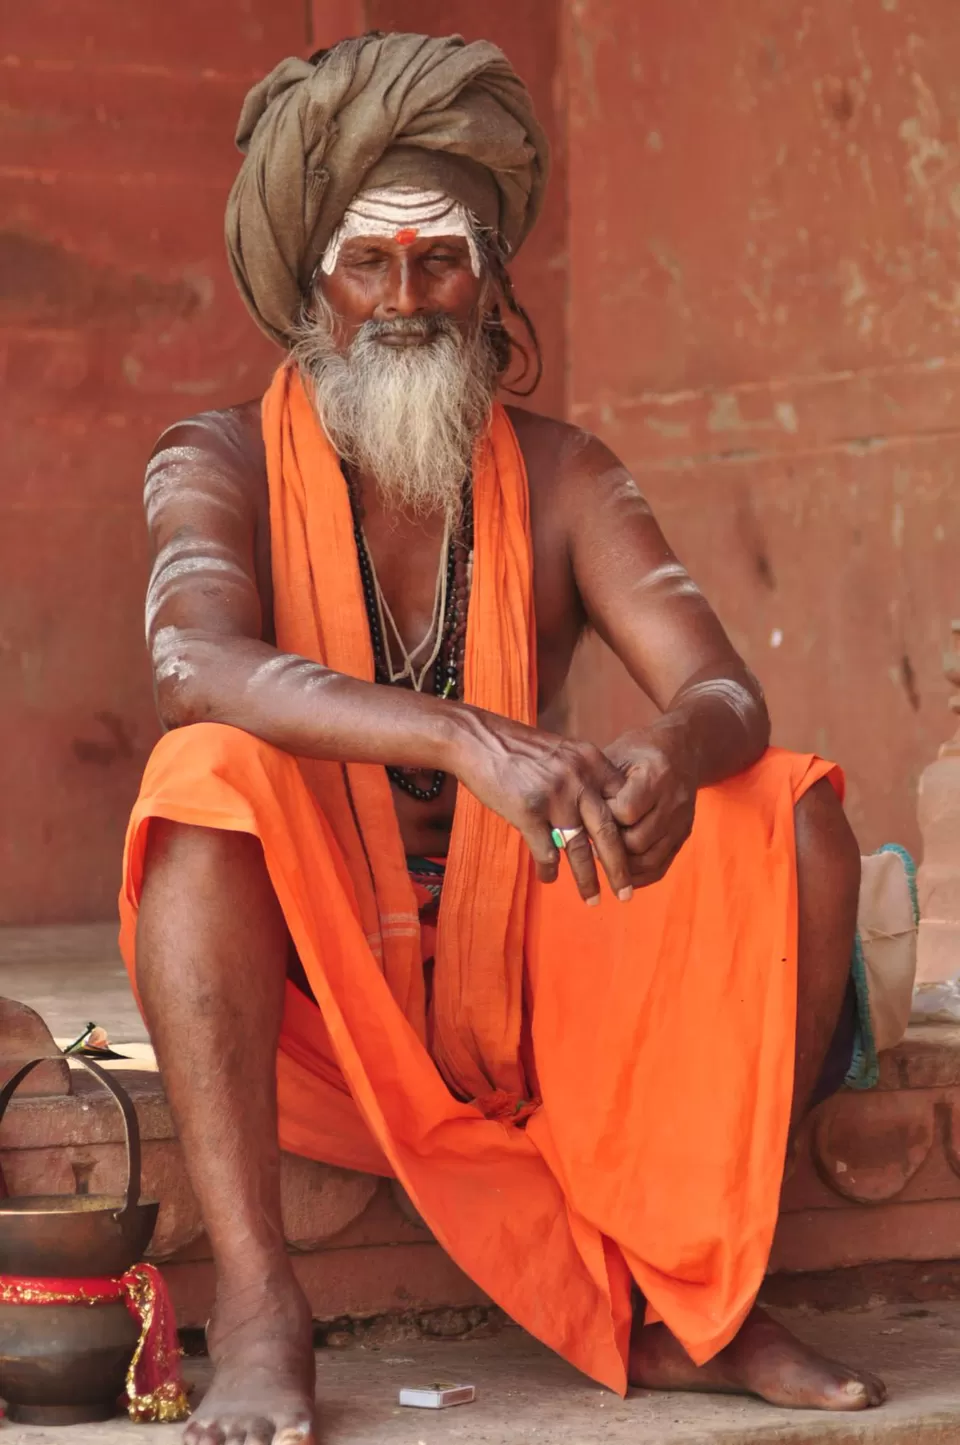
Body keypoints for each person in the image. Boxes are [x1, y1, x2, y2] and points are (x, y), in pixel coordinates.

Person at [120, 31, 886, 1445]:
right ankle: (266, 1308)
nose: (407, 299)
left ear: (493, 280)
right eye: (369, 263)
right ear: (311, 289)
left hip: (528, 979)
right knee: (205, 778)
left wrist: (671, 754)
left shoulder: (564, 475)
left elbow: (725, 691)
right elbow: (193, 664)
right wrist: (468, 737)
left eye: (443, 262)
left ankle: (704, 1298)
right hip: (311, 1004)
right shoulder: (214, 457)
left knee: (789, 808)